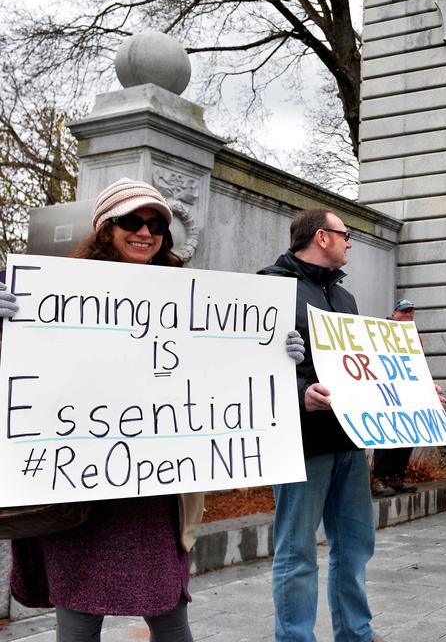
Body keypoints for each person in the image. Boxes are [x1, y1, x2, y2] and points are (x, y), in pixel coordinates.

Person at [0, 178, 302, 641]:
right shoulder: (53, 295)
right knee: (78, 618)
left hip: (157, 489)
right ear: (106, 227)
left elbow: (220, 367)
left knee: (169, 610)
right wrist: (5, 329)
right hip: (76, 490)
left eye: (156, 224)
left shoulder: (188, 297)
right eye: (132, 221)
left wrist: (274, 354)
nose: (145, 232)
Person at [259, 209, 383, 642]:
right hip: (301, 444)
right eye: (345, 235)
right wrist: (299, 394)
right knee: (297, 553)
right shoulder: (269, 286)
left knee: (355, 547)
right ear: (321, 237)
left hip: (349, 440)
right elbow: (248, 366)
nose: (350, 243)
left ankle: (356, 634)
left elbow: (359, 366)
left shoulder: (345, 298)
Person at [371, 299, 420, 497]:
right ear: (394, 313)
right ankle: (380, 478)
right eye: (404, 311)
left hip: (407, 392)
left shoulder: (414, 336)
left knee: (407, 435)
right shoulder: (382, 331)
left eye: (411, 312)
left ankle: (397, 476)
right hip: (387, 392)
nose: (408, 315)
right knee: (387, 436)